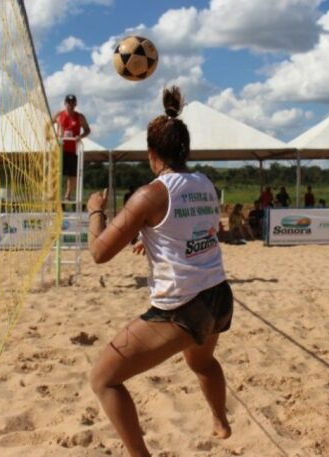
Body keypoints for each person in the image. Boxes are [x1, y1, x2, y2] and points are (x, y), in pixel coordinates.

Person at [86, 86, 233, 457]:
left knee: (103, 379)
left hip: (183, 307)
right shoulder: (205, 183)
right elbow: (198, 229)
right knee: (202, 361)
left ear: (152, 154)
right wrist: (149, 238)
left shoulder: (149, 194)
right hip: (219, 295)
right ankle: (220, 420)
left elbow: (99, 252)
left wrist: (95, 210)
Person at [53, 94, 91, 208]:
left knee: (72, 175)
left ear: (75, 104)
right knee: (57, 173)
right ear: (65, 103)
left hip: (72, 149)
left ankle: (67, 196)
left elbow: (87, 130)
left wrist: (80, 136)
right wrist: (54, 136)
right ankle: (55, 196)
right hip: (60, 148)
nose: (71, 105)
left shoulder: (79, 117)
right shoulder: (59, 114)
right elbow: (48, 124)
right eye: (69, 103)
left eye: (73, 103)